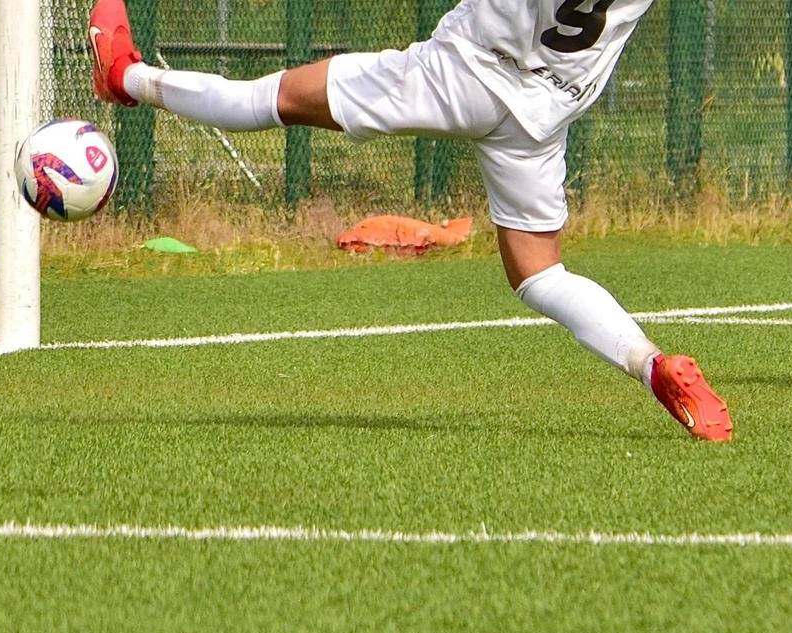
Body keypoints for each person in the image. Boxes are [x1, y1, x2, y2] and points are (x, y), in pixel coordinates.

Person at [86, 0, 734, 441]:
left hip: (457, 74)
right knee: (539, 273)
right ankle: (649, 364)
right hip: (543, 112)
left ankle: (125, 75)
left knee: (271, 98)